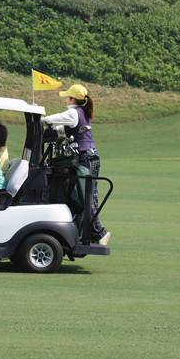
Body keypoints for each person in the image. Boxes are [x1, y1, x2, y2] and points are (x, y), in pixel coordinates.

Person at [42, 84, 111, 246]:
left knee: (88, 197)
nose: (66, 99)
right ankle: (86, 231)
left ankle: (100, 233)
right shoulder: (81, 113)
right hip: (89, 156)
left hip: (87, 157)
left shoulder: (73, 112)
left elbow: (50, 119)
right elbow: (63, 127)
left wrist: (41, 119)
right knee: (82, 195)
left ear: (73, 99)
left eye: (68, 96)